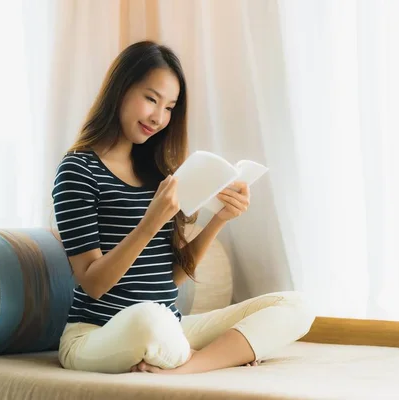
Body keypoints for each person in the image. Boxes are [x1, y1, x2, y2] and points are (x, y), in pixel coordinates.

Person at [52, 40, 315, 374]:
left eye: (169, 107)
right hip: (98, 333)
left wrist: (220, 219)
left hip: (168, 324)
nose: (159, 117)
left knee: (295, 305)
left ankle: (186, 366)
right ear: (120, 89)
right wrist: (149, 223)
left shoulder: (156, 173)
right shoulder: (78, 169)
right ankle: (205, 355)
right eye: (151, 99)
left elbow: (171, 277)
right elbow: (93, 284)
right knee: (149, 319)